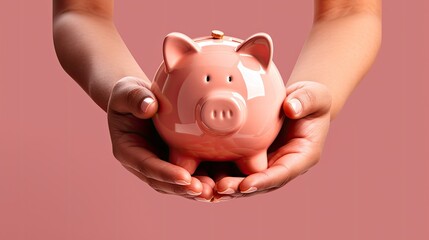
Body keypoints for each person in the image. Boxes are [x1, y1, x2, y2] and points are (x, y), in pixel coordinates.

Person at [53, 0, 381, 202]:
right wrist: (123, 92)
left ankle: (248, 155)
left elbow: (349, 8)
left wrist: (309, 97)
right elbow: (81, 9)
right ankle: (197, 154)